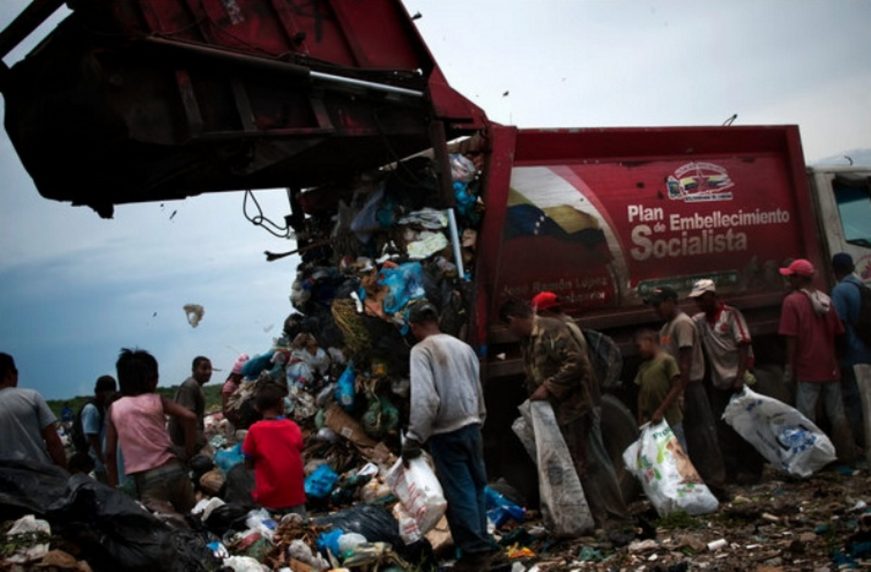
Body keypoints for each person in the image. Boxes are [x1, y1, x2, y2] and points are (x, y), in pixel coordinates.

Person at [500, 299, 629, 530]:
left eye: (508, 327)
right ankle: (598, 520)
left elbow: (577, 363)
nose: (509, 332)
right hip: (560, 412)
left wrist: (549, 387)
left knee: (594, 461)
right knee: (580, 466)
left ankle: (617, 518)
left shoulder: (551, 330)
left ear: (513, 320)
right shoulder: (528, 340)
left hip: (578, 407)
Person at [402, 301, 501, 570]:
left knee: (461, 492)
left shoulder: (421, 351)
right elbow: (476, 388)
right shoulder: (463, 347)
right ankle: (484, 544)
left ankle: (475, 553)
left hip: (446, 433)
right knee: (477, 487)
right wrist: (478, 418)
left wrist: (414, 437)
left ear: (414, 326)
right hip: (471, 427)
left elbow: (425, 400)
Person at [646, 286, 727, 492]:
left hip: (689, 387)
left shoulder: (682, 324)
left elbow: (685, 363)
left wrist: (680, 392)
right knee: (691, 436)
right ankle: (700, 480)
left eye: (659, 304)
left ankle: (715, 481)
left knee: (702, 433)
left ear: (672, 301)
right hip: (679, 388)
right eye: (653, 305)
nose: (656, 309)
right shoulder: (666, 328)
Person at [778, 258, 855, 460]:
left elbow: (791, 339)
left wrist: (790, 368)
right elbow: (839, 332)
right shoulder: (826, 300)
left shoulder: (791, 302)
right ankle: (846, 453)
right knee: (837, 413)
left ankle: (812, 459)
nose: (788, 281)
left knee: (806, 417)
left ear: (797, 278)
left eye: (790, 277)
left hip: (807, 368)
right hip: (830, 367)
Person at [689, 279, 764, 483]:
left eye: (702, 299)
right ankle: (731, 471)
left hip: (738, 381)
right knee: (724, 430)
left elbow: (743, 344)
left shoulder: (731, 315)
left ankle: (752, 471)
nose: (699, 303)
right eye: (696, 300)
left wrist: (740, 376)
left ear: (712, 296)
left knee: (746, 427)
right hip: (719, 382)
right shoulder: (700, 321)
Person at [105, 348, 197, 512]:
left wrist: (114, 489)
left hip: (147, 480)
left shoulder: (114, 409)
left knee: (166, 529)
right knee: (195, 519)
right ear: (149, 380)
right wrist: (188, 452)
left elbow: (110, 454)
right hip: (175, 470)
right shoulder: (157, 400)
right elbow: (190, 417)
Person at [242, 385, 305, 514]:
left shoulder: (254, 430)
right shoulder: (293, 427)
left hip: (268, 499)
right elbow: (298, 451)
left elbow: (248, 462)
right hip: (295, 496)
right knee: (301, 530)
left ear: (258, 408)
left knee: (270, 532)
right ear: (281, 404)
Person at [0, 353, 67, 469]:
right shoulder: (32, 397)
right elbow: (53, 442)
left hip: (6, 481)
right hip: (40, 474)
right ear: (10, 374)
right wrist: (65, 473)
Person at [831, 253, 871, 448]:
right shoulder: (862, 287)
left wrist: (837, 354)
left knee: (853, 400)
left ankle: (858, 445)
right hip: (867, 350)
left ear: (835, 270)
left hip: (851, 355)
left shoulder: (840, 291)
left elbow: (838, 325)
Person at [633, 329, 688, 452]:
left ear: (649, 341)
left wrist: (660, 410)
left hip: (671, 419)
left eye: (639, 346)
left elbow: (676, 386)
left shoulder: (667, 361)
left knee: (679, 454)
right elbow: (641, 395)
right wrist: (640, 418)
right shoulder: (643, 367)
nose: (638, 351)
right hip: (654, 423)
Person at [72, 375, 117, 482]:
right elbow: (92, 436)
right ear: (103, 392)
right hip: (97, 462)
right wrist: (103, 459)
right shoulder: (91, 409)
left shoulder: (101, 406)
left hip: (100, 460)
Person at [168, 356, 212, 452]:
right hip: (184, 443)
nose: (208, 372)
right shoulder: (189, 386)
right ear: (193, 370)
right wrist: (190, 448)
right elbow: (186, 418)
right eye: (204, 368)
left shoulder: (196, 386)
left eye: (210, 368)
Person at [222, 354, 250, 426]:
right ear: (235, 374)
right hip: (235, 423)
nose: (242, 378)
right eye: (241, 376)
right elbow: (226, 411)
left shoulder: (239, 383)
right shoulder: (229, 387)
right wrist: (239, 421)